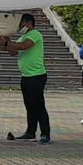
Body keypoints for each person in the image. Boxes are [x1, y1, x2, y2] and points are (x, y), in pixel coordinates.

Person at [6, 13, 50, 144]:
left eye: (21, 23)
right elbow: (12, 52)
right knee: (29, 106)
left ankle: (45, 133)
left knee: (38, 105)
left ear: (29, 23)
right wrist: (7, 41)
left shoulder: (35, 34)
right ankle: (30, 132)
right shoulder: (22, 38)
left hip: (36, 75)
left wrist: (8, 42)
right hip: (25, 76)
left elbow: (24, 46)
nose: (19, 26)